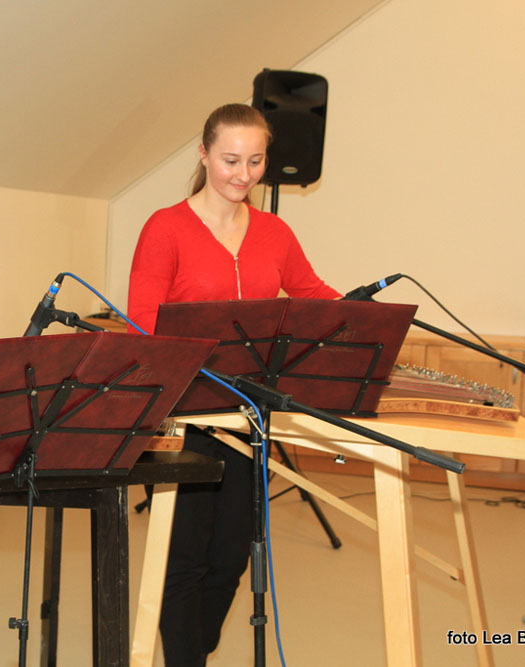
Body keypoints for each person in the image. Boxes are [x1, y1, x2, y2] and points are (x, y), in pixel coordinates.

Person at [127, 102, 340, 666]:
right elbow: (142, 322)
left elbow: (312, 293)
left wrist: (367, 319)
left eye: (255, 161)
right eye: (230, 160)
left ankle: (193, 651)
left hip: (248, 418)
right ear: (203, 154)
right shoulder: (165, 227)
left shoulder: (275, 231)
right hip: (186, 416)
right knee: (185, 559)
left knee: (230, 560)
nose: (243, 174)